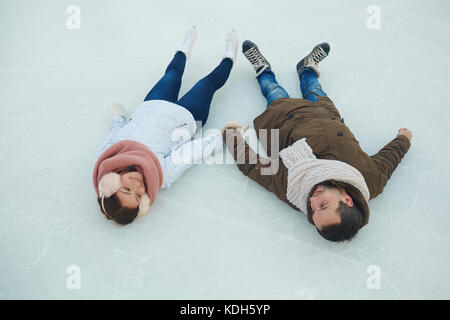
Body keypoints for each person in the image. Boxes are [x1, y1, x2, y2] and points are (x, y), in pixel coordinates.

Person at [222, 40, 412, 242]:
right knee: (313, 86)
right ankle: (306, 68)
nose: (312, 200)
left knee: (272, 90)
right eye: (323, 205)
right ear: (347, 199)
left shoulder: (294, 187)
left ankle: (263, 69)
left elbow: (253, 167)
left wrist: (231, 135)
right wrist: (404, 140)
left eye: (313, 211)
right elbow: (389, 160)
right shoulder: (370, 180)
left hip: (284, 117)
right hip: (325, 112)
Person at [93, 26, 238, 225]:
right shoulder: (160, 175)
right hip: (187, 116)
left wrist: (118, 116)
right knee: (207, 83)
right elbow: (190, 153)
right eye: (138, 196)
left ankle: (184, 48)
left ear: (111, 182)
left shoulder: (107, 156)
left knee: (172, 73)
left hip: (152, 105)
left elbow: (115, 133)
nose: (137, 187)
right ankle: (229, 57)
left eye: (127, 189)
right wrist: (222, 138)